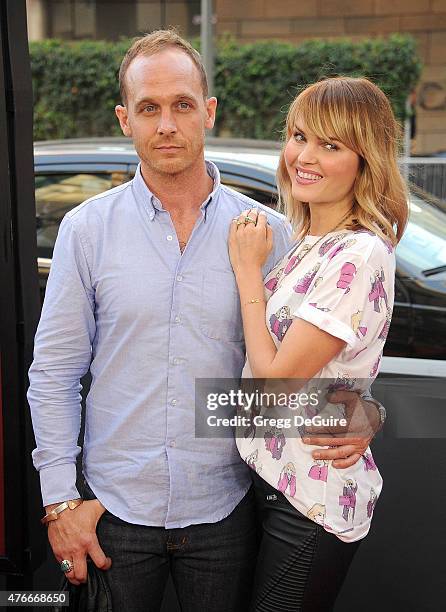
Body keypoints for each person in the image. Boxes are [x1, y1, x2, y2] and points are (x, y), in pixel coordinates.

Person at [27, 31, 383, 612]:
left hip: (232, 508)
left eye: (182, 105)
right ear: (126, 120)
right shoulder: (86, 231)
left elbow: (319, 362)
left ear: (208, 112)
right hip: (111, 512)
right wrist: (61, 502)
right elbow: (55, 376)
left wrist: (364, 412)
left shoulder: (274, 234)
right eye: (149, 108)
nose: (167, 125)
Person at [229, 77, 408, 611]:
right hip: (271, 479)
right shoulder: (306, 241)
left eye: (330, 145)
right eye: (299, 135)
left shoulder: (359, 253)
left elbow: (276, 389)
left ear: (364, 160)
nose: (304, 156)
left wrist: (245, 273)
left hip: (308, 500)